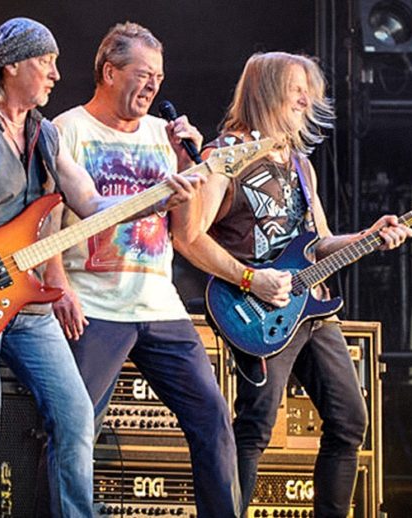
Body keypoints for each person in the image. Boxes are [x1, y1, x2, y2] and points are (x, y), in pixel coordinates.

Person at [0, 18, 199, 517]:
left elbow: (90, 204)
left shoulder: (45, 134)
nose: (56, 74)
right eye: (45, 62)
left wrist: (156, 199)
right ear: (12, 66)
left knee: (76, 415)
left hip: (28, 301)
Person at [173, 51, 412, 517]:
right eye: (296, 90)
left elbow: (318, 242)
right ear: (266, 93)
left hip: (311, 307)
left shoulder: (301, 165)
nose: (307, 100)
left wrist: (368, 237)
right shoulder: (226, 156)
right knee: (256, 426)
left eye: (309, 91)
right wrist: (251, 279)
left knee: (350, 420)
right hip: (256, 310)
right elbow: (189, 236)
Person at [45, 22, 240, 516]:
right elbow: (44, 221)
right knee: (75, 428)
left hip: (159, 305)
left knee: (213, 418)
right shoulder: (69, 130)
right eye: (142, 73)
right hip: (95, 306)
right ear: (110, 72)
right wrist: (58, 286)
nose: (153, 85)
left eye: (159, 76)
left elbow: (185, 232)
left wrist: (187, 163)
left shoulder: (162, 135)